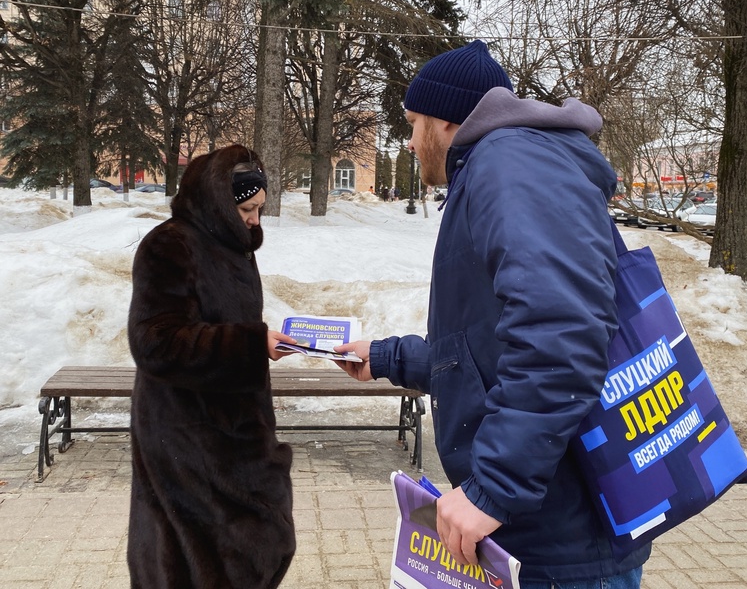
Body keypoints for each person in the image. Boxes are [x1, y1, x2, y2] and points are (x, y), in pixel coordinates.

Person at [335, 40, 650, 588]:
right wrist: (387, 356)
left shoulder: (510, 163)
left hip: (559, 543)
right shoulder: (501, 167)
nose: (409, 142)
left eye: (413, 123)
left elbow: (562, 331)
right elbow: (486, 346)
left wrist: (492, 489)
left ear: (445, 120)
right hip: (540, 528)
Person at [127, 145, 296, 589]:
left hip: (238, 431)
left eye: (259, 209)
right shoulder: (168, 244)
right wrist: (248, 344)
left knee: (255, 551)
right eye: (247, 209)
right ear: (221, 202)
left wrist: (257, 344)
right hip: (187, 438)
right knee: (194, 565)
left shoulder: (232, 246)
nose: (255, 221)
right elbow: (154, 342)